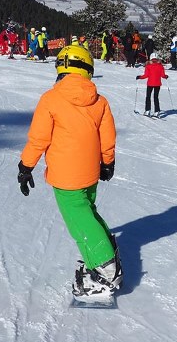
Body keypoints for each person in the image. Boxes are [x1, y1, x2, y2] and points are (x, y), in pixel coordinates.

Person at [16, 44, 122, 300]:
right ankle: (102, 252)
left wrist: (26, 166)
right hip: (89, 173)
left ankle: (106, 268)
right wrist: (107, 162)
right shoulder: (100, 101)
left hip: (65, 176)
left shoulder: (51, 99)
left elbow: (39, 139)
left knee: (79, 220)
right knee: (88, 211)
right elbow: (107, 137)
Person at [136, 52, 168, 117]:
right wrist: (166, 76)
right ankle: (157, 111)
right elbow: (162, 75)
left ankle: (147, 110)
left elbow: (146, 75)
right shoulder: (160, 66)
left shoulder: (148, 66)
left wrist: (139, 77)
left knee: (148, 97)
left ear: (150, 58)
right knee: (156, 97)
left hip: (150, 84)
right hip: (158, 84)